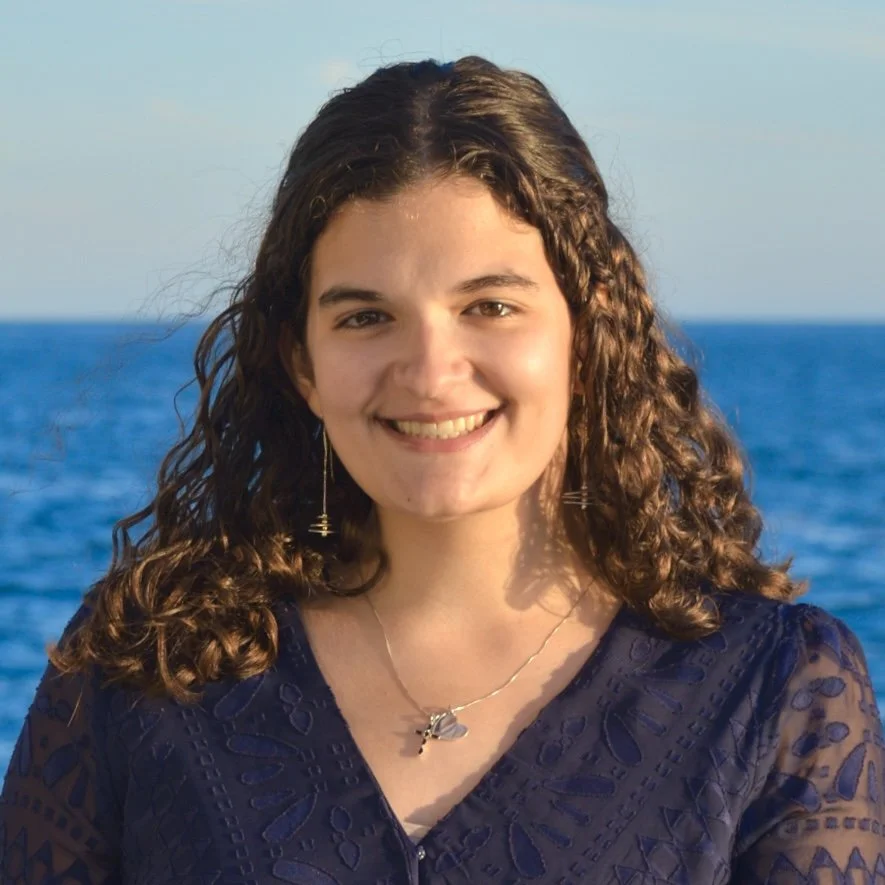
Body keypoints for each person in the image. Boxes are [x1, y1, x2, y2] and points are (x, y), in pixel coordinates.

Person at [1, 55, 882, 884]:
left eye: (489, 306)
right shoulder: (145, 664)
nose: (428, 371)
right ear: (301, 361)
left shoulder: (776, 695)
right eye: (364, 317)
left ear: (589, 328)